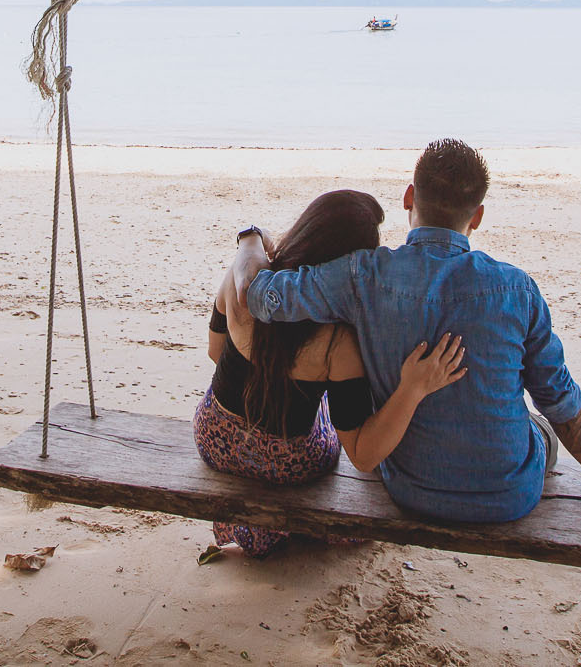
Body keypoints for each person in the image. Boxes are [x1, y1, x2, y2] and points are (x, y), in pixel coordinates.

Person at [225, 139, 581, 524]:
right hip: (508, 496)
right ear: (479, 216)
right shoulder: (517, 288)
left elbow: (262, 298)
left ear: (409, 197)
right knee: (539, 425)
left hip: (411, 489)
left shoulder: (361, 278)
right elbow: (558, 394)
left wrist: (249, 241)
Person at [199, 188, 468, 556]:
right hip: (289, 463)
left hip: (214, 437)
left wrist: (251, 239)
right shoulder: (339, 339)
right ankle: (279, 531)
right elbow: (362, 454)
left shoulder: (242, 281)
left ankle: (255, 529)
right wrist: (413, 389)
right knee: (335, 425)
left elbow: (216, 352)